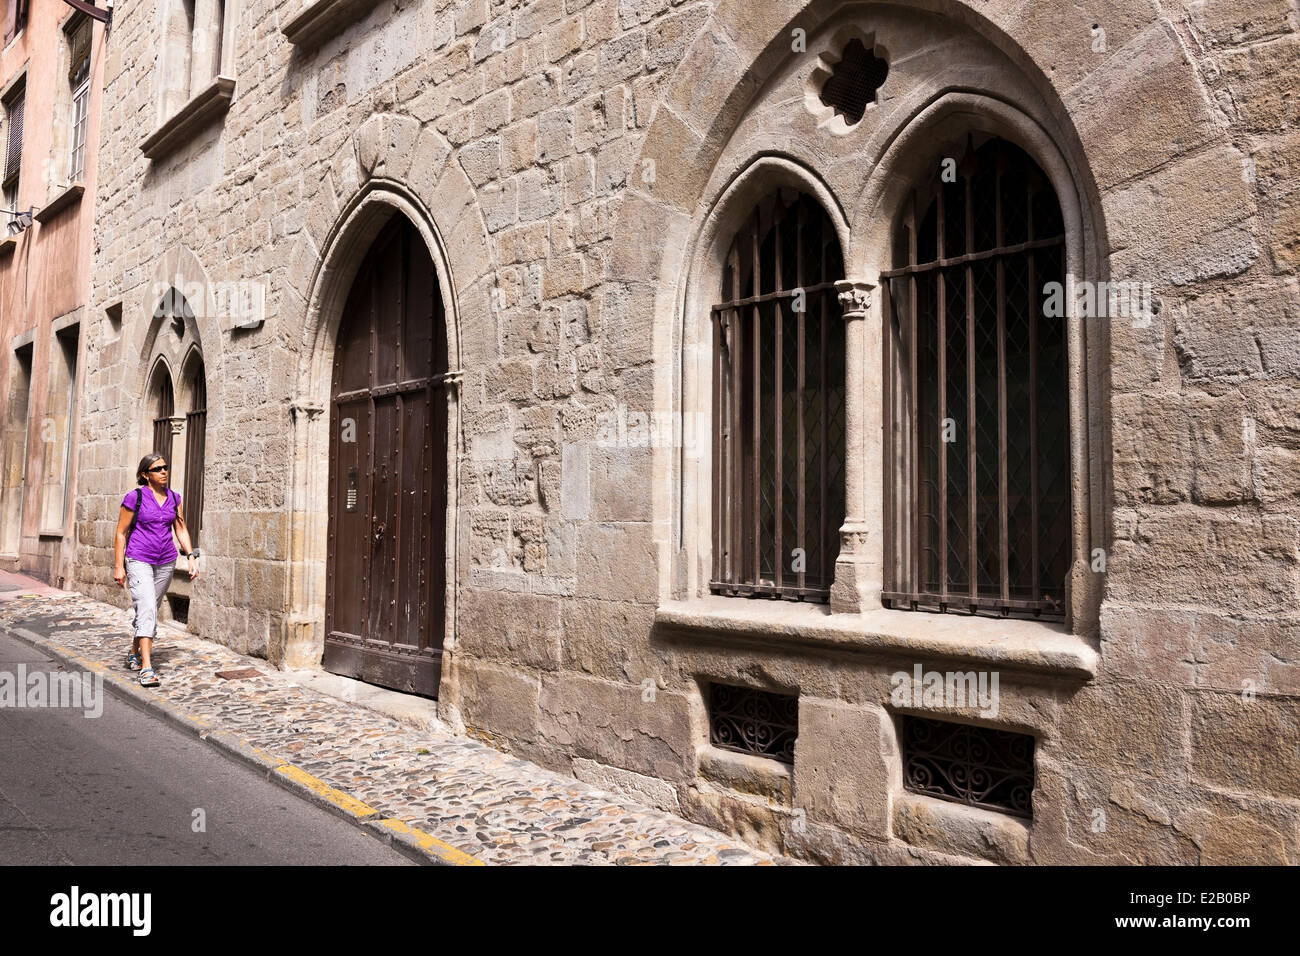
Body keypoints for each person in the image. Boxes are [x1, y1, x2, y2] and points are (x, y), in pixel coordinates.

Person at [112, 453, 200, 687]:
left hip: (166, 561)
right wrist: (119, 566)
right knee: (148, 608)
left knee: (149, 609)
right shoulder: (135, 498)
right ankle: (147, 668)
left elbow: (180, 529)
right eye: (157, 469)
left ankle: (133, 651)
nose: (163, 472)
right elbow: (121, 533)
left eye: (165, 467)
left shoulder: (174, 498)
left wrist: (190, 556)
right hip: (139, 558)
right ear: (145, 475)